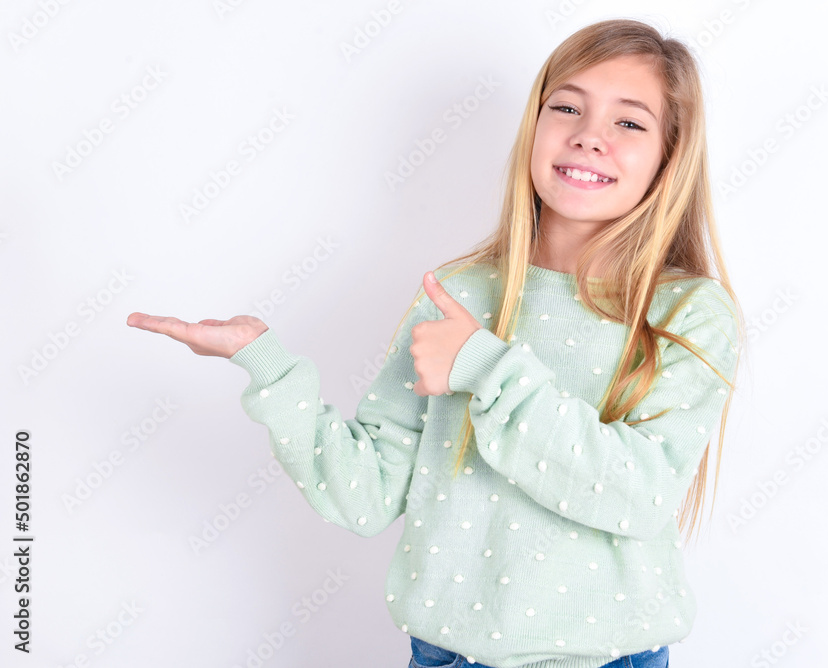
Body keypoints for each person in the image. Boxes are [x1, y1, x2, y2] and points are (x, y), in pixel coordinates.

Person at [127, 16, 744, 668]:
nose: (590, 135)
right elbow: (363, 496)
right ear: (534, 128)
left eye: (629, 122)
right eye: (566, 106)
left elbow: (639, 495)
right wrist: (267, 363)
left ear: (669, 157)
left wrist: (486, 367)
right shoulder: (457, 293)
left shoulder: (686, 313)